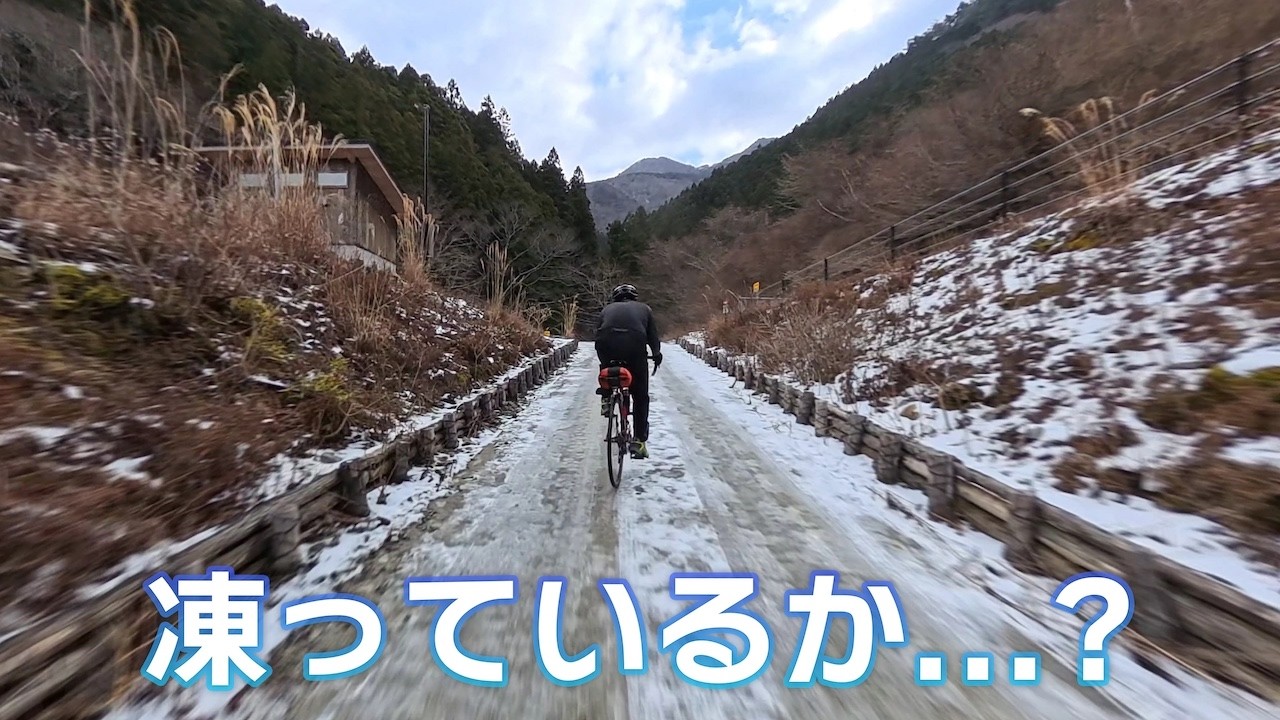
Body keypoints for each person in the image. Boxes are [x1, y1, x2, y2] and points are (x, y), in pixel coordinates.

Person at [595, 284, 662, 459]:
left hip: (606, 345)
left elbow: (598, 334)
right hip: (635, 348)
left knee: (607, 366)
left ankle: (606, 397)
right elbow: (653, 337)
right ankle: (638, 441)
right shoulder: (645, 309)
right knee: (640, 396)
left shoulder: (606, 309)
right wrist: (656, 354)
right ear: (635, 297)